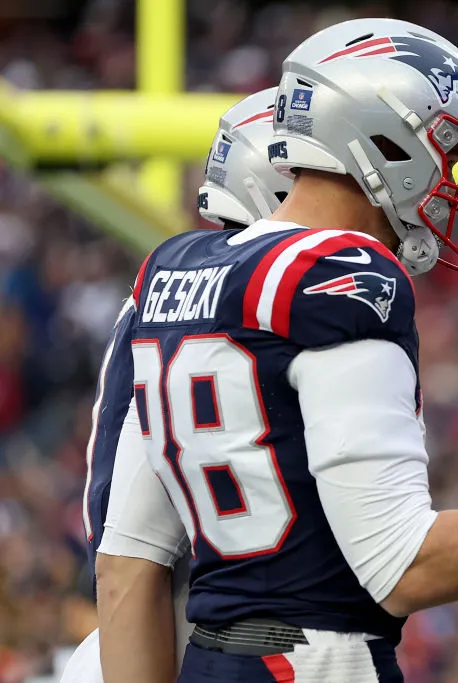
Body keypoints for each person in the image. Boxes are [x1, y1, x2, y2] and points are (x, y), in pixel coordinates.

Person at [93, 18, 458, 683]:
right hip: (316, 661)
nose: (452, 180)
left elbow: (126, 566)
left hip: (213, 658)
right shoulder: (344, 274)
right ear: (386, 137)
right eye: (449, 151)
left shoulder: (173, 267)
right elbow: (403, 566)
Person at [61, 86, 293, 683]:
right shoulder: (246, 304)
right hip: (193, 635)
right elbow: (130, 552)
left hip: (195, 625)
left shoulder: (200, 288)